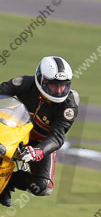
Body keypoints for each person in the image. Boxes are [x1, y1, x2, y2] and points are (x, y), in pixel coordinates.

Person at [0, 56, 78, 207]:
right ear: (41, 80)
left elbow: (57, 137)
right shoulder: (24, 83)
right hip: (12, 131)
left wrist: (38, 152)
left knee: (43, 186)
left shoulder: (69, 106)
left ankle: (8, 182)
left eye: (63, 85)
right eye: (54, 85)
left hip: (40, 143)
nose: (59, 90)